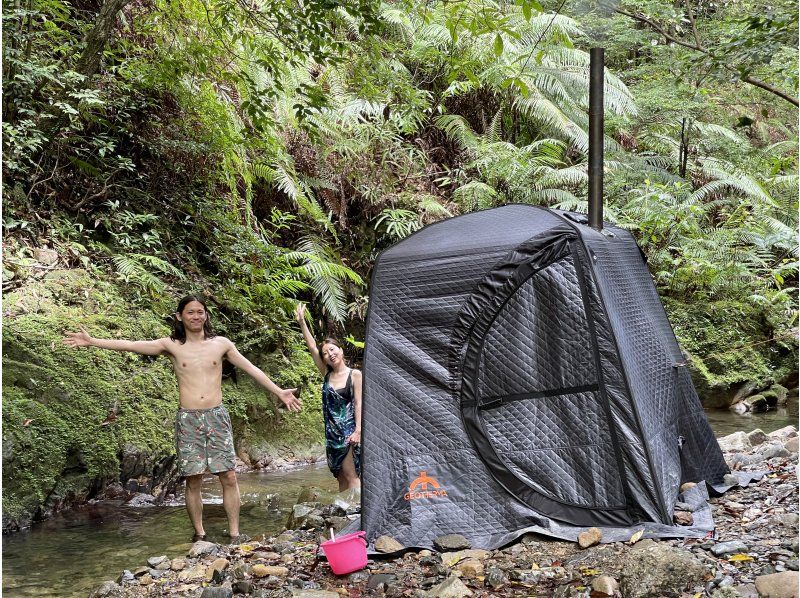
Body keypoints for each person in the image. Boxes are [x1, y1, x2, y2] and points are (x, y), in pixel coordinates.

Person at [63, 295, 301, 543]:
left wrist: (279, 391)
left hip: (216, 416)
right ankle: (199, 534)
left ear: (206, 315)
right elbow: (132, 344)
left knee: (228, 476)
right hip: (188, 419)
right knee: (193, 478)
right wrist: (93, 342)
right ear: (180, 316)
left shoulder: (221, 344)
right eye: (190, 312)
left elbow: (251, 369)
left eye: (200, 312)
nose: (196, 316)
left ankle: (234, 533)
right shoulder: (172, 345)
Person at [295, 303, 361, 491]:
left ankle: (364, 513)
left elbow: (359, 404)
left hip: (349, 434)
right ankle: (343, 513)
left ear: (340, 350)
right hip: (331, 435)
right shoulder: (326, 374)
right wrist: (302, 323)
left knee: (351, 474)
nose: (330, 354)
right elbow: (312, 347)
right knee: (340, 478)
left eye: (333, 350)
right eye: (326, 353)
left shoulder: (354, 375)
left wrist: (358, 431)